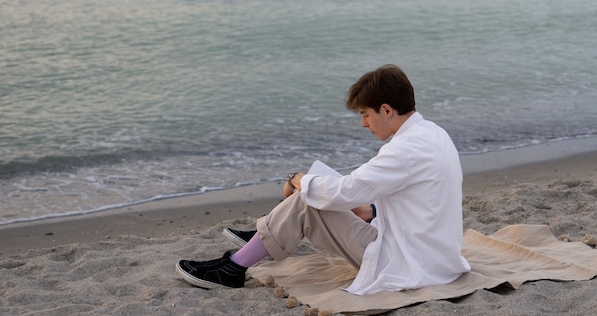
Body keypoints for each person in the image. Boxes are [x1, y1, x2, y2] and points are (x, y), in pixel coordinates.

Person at [176, 64, 471, 295]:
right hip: (435, 255)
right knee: (323, 192)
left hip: (409, 262)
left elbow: (345, 191)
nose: (363, 123)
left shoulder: (404, 150)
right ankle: (266, 234)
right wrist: (369, 211)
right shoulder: (433, 133)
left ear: (386, 110)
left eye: (365, 114)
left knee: (309, 198)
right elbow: (423, 199)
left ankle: (235, 266)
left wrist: (297, 178)